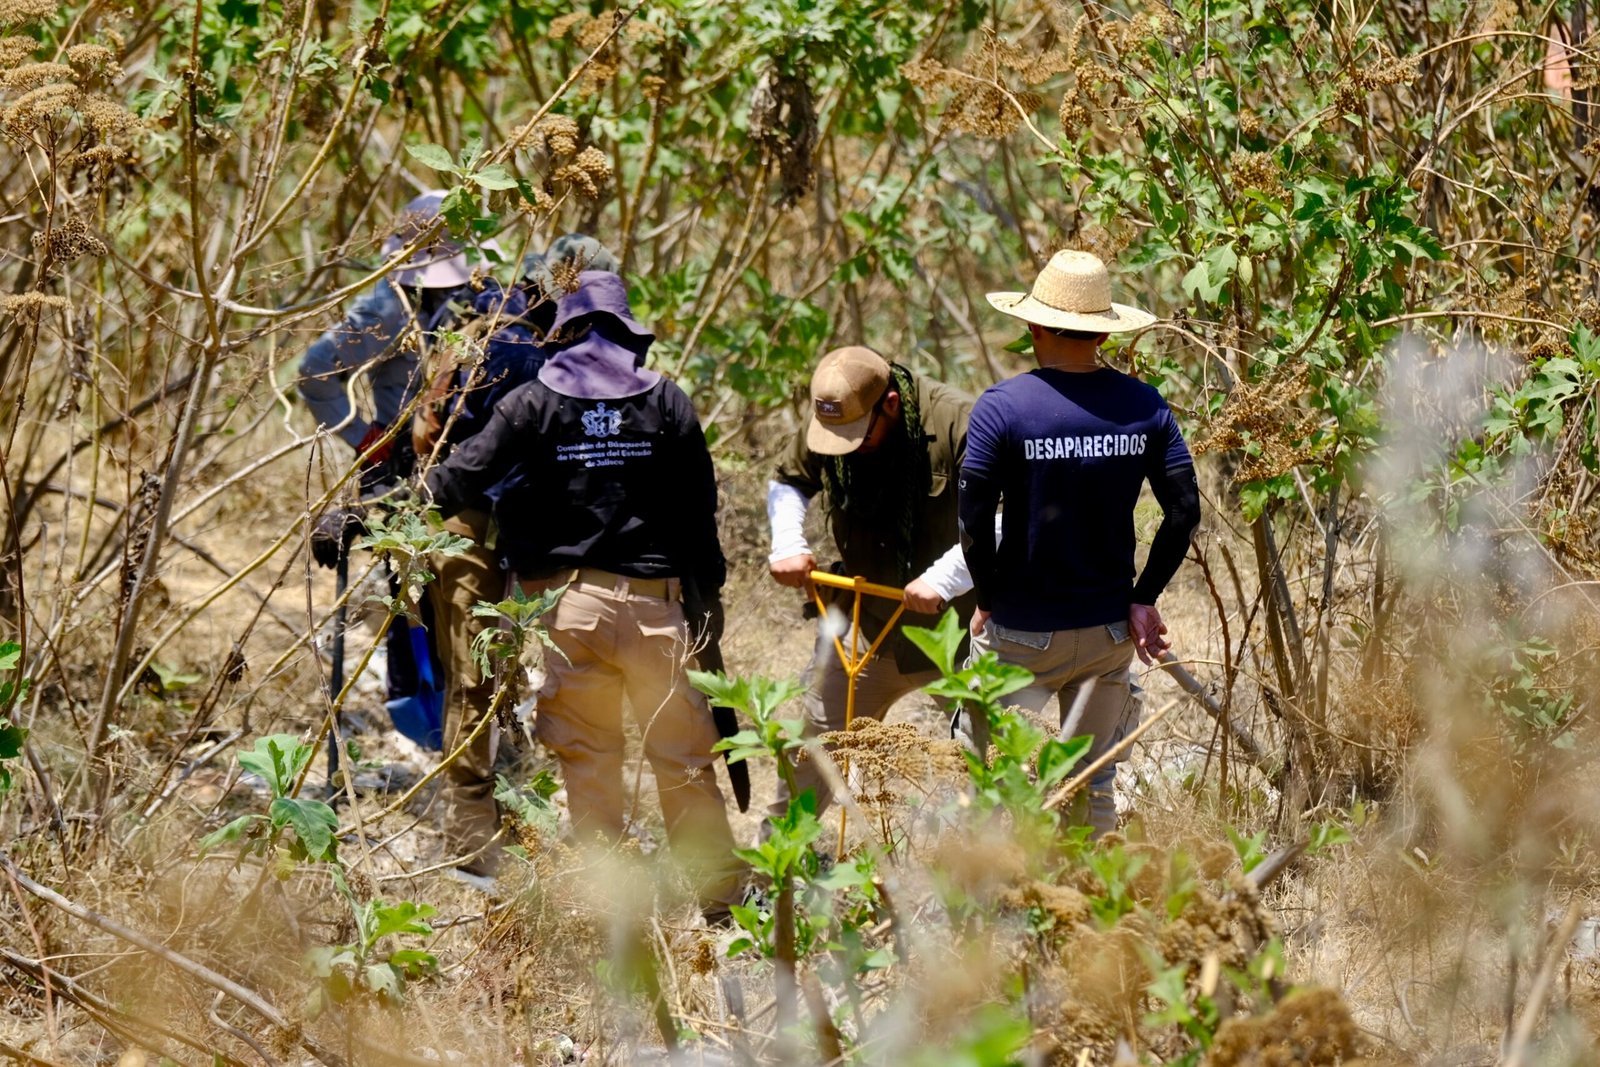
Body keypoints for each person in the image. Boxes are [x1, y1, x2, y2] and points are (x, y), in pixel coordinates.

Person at [422, 270, 743, 916]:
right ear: (629, 333)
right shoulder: (668, 402)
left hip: (569, 612)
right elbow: (700, 524)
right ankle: (723, 905)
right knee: (682, 758)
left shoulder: (533, 402)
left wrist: (369, 514)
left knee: (591, 758)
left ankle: (612, 910)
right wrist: (706, 614)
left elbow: (457, 479)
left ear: (562, 333)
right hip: (658, 606)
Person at [958, 250, 1201, 837]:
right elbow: (1185, 510)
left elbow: (970, 521)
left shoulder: (1003, 408)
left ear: (1035, 325)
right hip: (1107, 634)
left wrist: (987, 598)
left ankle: (1002, 917)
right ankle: (1096, 913)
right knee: (1091, 784)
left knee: (997, 788)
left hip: (1021, 632)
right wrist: (1143, 596)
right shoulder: (1144, 406)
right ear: (1100, 331)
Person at [407, 236, 621, 876]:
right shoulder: (515, 349)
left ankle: (505, 801)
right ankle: (471, 837)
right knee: (475, 677)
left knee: (495, 672)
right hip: (471, 525)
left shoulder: (485, 329)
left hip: (494, 527)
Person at [766, 346, 977, 823]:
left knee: (987, 759)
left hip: (952, 635)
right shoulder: (834, 414)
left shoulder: (959, 421)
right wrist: (787, 542)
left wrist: (943, 579)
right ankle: (773, 877)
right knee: (811, 753)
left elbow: (1004, 519)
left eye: (856, 436)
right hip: (865, 626)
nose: (845, 445)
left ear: (891, 405)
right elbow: (789, 479)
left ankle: (994, 879)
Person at [298, 191, 499, 484]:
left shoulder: (482, 294)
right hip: (399, 459)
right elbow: (315, 368)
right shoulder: (388, 306)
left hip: (462, 457)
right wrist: (367, 440)